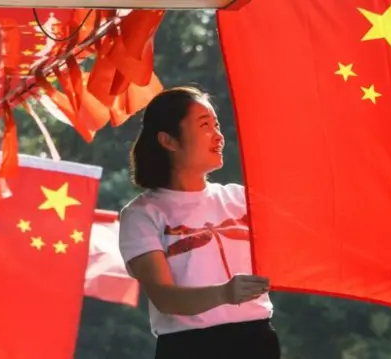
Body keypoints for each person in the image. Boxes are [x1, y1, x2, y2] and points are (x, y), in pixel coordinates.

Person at [118, 86, 280, 359]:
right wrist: (225, 293)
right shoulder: (142, 214)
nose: (218, 136)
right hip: (189, 348)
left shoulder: (241, 198)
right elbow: (164, 298)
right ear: (168, 140)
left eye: (217, 126)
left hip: (258, 341)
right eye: (205, 125)